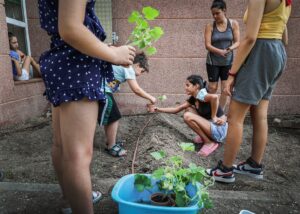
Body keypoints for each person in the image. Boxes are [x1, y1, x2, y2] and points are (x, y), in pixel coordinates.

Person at [38, 1, 135, 214]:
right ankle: (77, 204)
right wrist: (113, 55)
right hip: (77, 65)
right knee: (79, 155)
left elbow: (66, 25)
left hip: (61, 61)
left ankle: (69, 199)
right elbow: (71, 27)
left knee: (62, 145)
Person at [206, 0, 292, 183]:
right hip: (277, 51)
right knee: (260, 113)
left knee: (234, 117)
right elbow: (285, 38)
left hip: (261, 51)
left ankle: (225, 171)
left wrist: (232, 74)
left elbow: (250, 37)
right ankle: (254, 165)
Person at [148, 75, 228, 157]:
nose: (185, 87)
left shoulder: (202, 95)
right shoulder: (193, 98)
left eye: (188, 85)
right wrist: (157, 109)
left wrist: (214, 116)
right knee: (188, 109)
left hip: (219, 130)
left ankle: (209, 142)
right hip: (211, 126)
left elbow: (214, 97)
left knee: (187, 116)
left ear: (196, 86)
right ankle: (206, 136)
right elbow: (177, 109)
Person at [99, 52, 156, 157]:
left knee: (112, 117)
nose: (139, 74)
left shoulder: (124, 66)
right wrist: (151, 97)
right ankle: (111, 146)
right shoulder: (129, 68)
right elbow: (136, 89)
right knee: (115, 117)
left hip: (102, 90)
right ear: (137, 65)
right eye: (141, 71)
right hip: (103, 91)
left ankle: (110, 142)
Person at [204, 0, 240, 111]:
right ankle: (208, 110)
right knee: (212, 87)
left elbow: (238, 42)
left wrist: (229, 49)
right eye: (213, 14)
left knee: (225, 88)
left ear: (224, 11)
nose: (215, 16)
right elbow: (207, 45)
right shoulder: (210, 26)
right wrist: (219, 51)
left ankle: (220, 112)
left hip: (227, 62)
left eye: (217, 13)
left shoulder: (233, 24)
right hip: (213, 62)